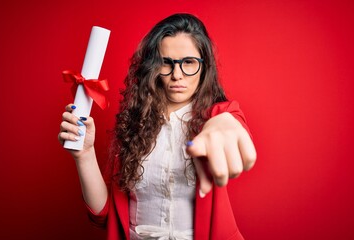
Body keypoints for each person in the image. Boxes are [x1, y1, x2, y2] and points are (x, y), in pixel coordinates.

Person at [58, 13, 256, 240]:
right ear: (153, 67)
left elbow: (231, 121)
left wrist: (222, 124)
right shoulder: (134, 125)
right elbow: (103, 216)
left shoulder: (217, 116)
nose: (177, 75)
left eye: (189, 62)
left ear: (204, 67)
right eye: (166, 63)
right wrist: (84, 154)